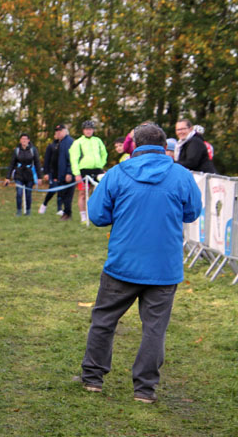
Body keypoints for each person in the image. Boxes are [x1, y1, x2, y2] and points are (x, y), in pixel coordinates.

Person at [80, 123, 201, 404]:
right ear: (164, 146)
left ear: (134, 144)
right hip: (163, 266)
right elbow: (192, 212)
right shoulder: (181, 175)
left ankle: (92, 379)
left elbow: (98, 215)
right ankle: (144, 390)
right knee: (154, 328)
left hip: (124, 263)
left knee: (104, 320)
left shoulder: (118, 173)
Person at [69, 120, 107, 222]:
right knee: (83, 193)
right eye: (86, 129)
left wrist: (101, 165)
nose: (88, 131)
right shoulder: (78, 142)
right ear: (83, 130)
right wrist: (76, 173)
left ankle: (96, 214)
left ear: (93, 130)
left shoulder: (98, 141)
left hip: (97, 170)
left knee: (99, 192)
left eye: (90, 129)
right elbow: (74, 159)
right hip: (84, 171)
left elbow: (104, 154)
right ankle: (83, 217)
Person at [4, 133, 41, 216]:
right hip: (19, 174)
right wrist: (8, 177)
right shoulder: (16, 150)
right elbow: (12, 164)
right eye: (22, 139)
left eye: (25, 139)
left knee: (28, 193)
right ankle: (19, 210)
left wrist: (39, 177)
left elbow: (37, 163)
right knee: (19, 193)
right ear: (20, 140)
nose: (24, 140)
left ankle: (28, 210)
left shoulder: (33, 150)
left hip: (29, 175)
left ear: (28, 140)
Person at [52, 124, 75, 220]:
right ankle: (66, 212)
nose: (58, 133)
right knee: (62, 194)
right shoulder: (59, 142)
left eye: (60, 131)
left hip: (67, 174)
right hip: (61, 174)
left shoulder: (69, 142)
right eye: (57, 131)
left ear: (65, 131)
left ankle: (67, 213)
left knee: (67, 194)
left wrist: (69, 172)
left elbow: (72, 158)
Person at [39, 132, 63, 215]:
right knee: (53, 188)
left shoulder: (64, 145)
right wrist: (46, 173)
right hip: (52, 172)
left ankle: (59, 208)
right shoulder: (51, 146)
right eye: (57, 134)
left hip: (61, 172)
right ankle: (44, 204)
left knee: (61, 190)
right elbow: (46, 160)